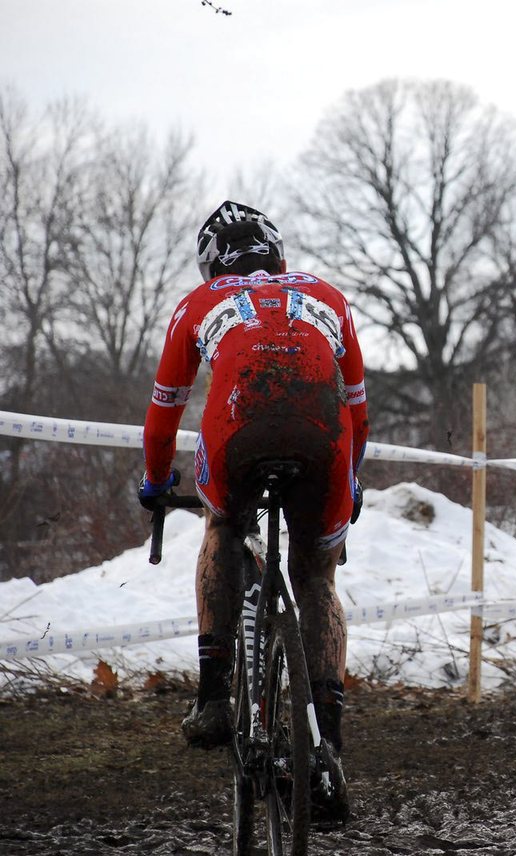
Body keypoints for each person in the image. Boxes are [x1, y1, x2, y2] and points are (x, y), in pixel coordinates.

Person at [138, 200, 369, 825]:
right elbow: (359, 411)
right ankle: (327, 750)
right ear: (278, 252)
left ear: (213, 264)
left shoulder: (196, 304)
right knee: (318, 578)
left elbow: (163, 417)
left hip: (237, 424)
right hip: (324, 432)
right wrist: (353, 479)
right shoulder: (328, 295)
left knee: (221, 526)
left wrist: (156, 484)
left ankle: (214, 695)